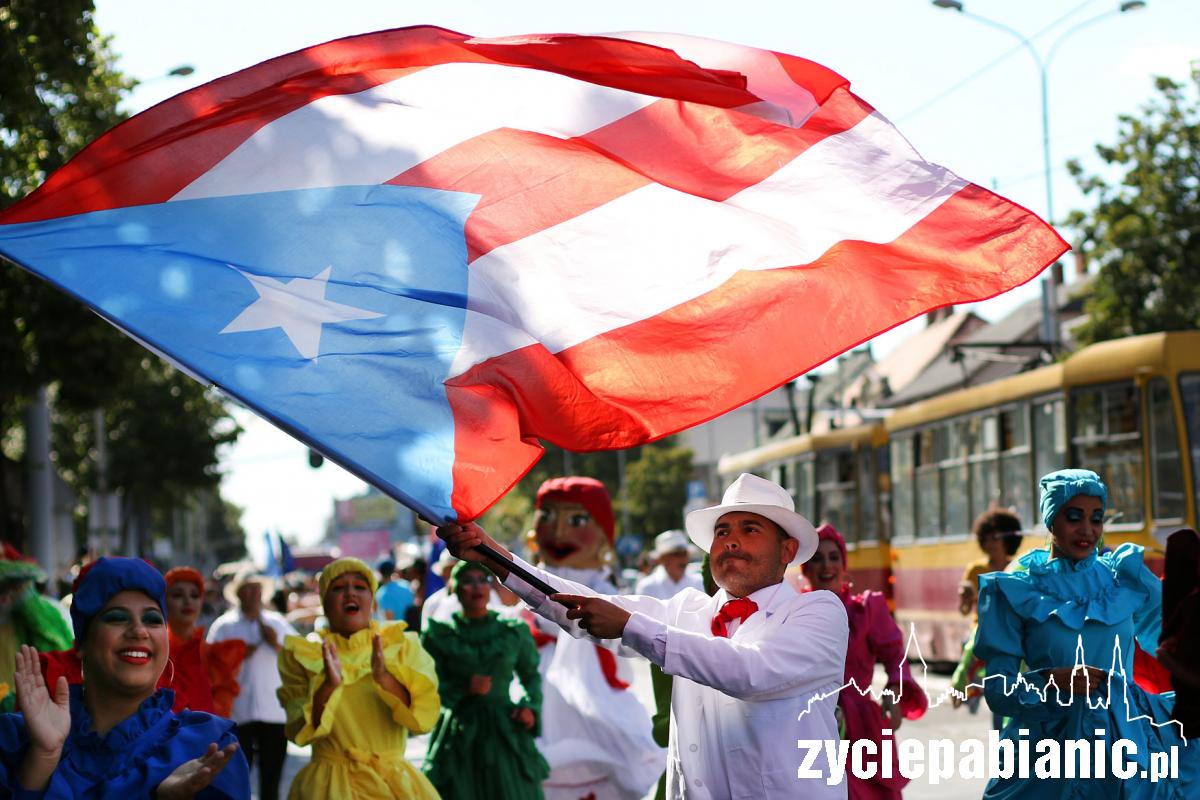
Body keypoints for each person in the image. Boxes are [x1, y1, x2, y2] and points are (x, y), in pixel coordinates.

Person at [440, 472, 849, 799]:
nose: (731, 540)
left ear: (787, 551)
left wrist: (629, 625)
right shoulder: (688, 610)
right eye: (722, 532)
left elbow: (754, 673)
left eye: (750, 529)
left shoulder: (817, 611)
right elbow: (580, 601)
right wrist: (494, 557)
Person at [975, 468, 1194, 799]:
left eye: (1096, 518)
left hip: (1125, 749)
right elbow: (997, 692)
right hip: (1046, 759)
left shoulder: (1126, 579)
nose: (1087, 530)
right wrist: (1051, 680)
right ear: (1050, 521)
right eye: (1073, 517)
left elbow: (1175, 645)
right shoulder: (1014, 591)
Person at [0, 557, 248, 798]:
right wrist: (42, 758)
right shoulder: (18, 739)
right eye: (117, 618)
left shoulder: (208, 746)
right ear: (82, 643)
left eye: (152, 620)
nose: (139, 631)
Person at [516, 476, 663, 800]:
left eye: (577, 520)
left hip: (589, 691)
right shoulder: (527, 583)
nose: (558, 532)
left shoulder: (603, 591)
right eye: (548, 516)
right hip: (537, 695)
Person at [277, 557, 440, 799]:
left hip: (392, 784)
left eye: (360, 587)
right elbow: (299, 731)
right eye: (339, 587)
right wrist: (329, 686)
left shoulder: (401, 644)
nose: (350, 593)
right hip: (328, 788)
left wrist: (384, 678)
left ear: (372, 602)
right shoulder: (302, 653)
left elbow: (423, 720)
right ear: (324, 601)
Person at [802, 523, 926, 800]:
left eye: (834, 557)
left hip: (862, 730)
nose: (826, 565)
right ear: (805, 568)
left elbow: (896, 654)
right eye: (817, 558)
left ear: (844, 564)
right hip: (809, 725)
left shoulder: (867, 609)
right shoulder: (792, 613)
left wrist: (894, 691)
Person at [421, 560, 549, 799]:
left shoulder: (512, 630)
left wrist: (529, 707)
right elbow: (429, 688)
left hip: (505, 730)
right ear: (454, 588)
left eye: (483, 580)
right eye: (467, 581)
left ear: (491, 588)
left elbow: (531, 677)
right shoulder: (439, 635)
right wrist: (464, 690)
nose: (476, 587)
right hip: (459, 734)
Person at [207, 570, 295, 800]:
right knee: (237, 780)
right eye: (247, 589)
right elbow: (209, 664)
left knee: (271, 780)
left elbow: (299, 657)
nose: (253, 594)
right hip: (237, 713)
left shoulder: (277, 623)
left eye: (257, 589)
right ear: (238, 593)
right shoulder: (224, 626)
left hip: (274, 711)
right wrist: (236, 654)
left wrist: (275, 643)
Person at [950, 509, 1023, 727]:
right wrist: (966, 598)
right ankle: (969, 688)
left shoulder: (1018, 567)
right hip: (982, 635)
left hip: (1010, 635)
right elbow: (963, 611)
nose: (990, 544)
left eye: (996, 538)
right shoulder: (975, 570)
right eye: (987, 539)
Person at [164, 567, 246, 717]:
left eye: (194, 595)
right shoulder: (154, 654)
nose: (188, 601)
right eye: (177, 595)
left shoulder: (213, 656)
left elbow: (222, 711)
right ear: (164, 601)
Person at [0, 544, 73, 713]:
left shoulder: (41, 612)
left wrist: (28, 605)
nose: (5, 596)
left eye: (11, 586)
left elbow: (60, 653)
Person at [635, 530, 703, 600]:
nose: (683, 559)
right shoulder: (647, 587)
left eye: (685, 554)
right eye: (677, 554)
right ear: (663, 559)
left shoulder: (699, 582)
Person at [374, 557, 414, 623]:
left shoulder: (382, 593)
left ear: (380, 572)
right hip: (412, 630)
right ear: (393, 570)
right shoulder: (406, 585)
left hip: (396, 631)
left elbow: (389, 621)